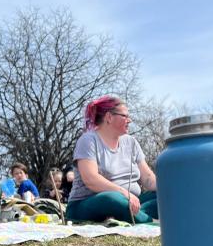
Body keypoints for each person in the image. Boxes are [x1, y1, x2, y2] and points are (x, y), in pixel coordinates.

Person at [65, 95, 157, 224]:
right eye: (125, 116)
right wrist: (124, 193)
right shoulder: (88, 140)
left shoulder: (131, 142)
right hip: (88, 204)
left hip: (131, 202)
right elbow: (91, 179)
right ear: (109, 117)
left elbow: (148, 178)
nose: (129, 120)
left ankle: (133, 216)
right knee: (112, 198)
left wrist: (169, 188)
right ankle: (152, 222)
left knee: (164, 196)